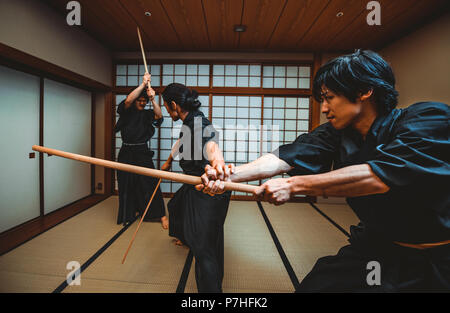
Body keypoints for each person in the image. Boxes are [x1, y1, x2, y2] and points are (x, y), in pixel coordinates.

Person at [198, 50, 450, 292]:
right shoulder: (337, 133)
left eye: (329, 97)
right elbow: (286, 157)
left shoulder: (428, 119)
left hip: (436, 257)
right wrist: (228, 176)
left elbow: (379, 176)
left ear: (364, 91)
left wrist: (293, 186)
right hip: (376, 247)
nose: (324, 108)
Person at [160, 83, 231, 293]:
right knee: (176, 206)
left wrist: (218, 164)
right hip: (193, 185)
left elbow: (211, 145)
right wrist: (169, 160)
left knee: (205, 252)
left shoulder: (199, 124)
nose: (166, 110)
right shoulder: (189, 121)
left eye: (165, 106)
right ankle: (185, 236)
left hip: (207, 190)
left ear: (173, 105)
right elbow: (182, 142)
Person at [115, 73, 168, 229]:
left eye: (145, 101)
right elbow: (129, 100)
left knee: (149, 182)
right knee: (126, 183)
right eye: (141, 100)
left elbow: (159, 116)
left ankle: (161, 215)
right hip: (126, 151)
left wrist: (153, 99)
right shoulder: (126, 110)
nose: (142, 103)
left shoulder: (147, 114)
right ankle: (129, 213)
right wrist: (143, 84)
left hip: (142, 152)